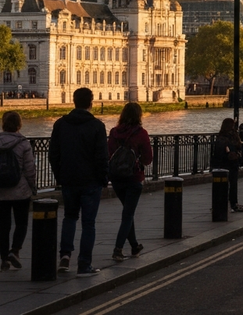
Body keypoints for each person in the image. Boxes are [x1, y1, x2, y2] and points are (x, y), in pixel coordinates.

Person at [49, 87, 107, 276]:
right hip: (90, 182)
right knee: (88, 223)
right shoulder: (97, 126)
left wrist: (60, 175)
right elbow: (101, 157)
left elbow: (53, 155)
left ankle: (65, 256)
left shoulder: (60, 124)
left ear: (73, 101)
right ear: (91, 102)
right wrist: (103, 179)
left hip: (69, 179)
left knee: (69, 217)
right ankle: (84, 264)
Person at [107, 102, 153, 261]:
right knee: (128, 214)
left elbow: (109, 154)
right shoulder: (141, 133)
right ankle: (118, 249)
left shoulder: (113, 133)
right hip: (134, 178)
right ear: (139, 116)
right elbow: (148, 159)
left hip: (117, 178)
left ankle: (134, 246)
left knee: (128, 212)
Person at [0, 111, 36, 271]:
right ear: (19, 125)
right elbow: (29, 169)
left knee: (3, 226)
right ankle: (15, 250)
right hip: (20, 190)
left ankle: (4, 259)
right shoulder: (23, 143)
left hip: (1, 191)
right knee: (21, 223)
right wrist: (33, 186)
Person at [211, 118, 243, 213]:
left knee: (222, 186)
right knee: (233, 184)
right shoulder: (233, 136)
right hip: (231, 163)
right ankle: (233, 204)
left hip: (221, 164)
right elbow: (238, 148)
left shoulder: (220, 136)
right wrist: (236, 155)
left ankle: (219, 204)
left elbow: (217, 152)